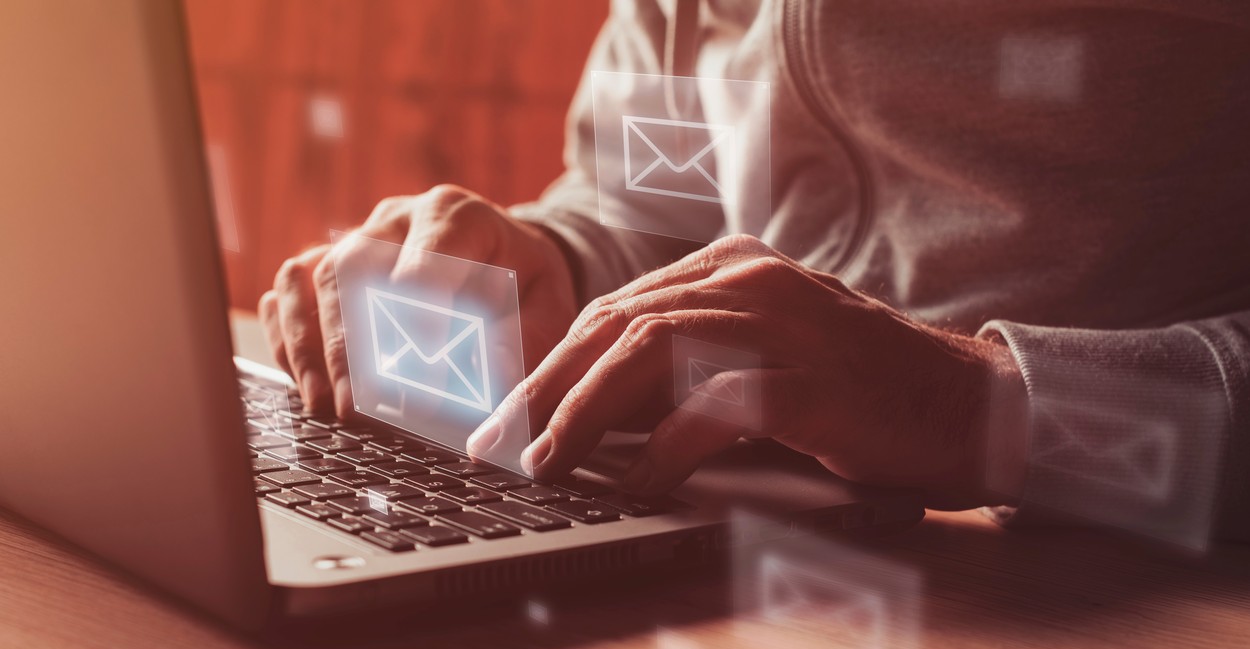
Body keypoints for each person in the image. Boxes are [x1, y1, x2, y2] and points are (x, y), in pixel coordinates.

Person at [260, 1, 1250, 546]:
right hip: (749, 556)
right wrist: (556, 270)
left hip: (1126, 620)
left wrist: (978, 410)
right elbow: (654, 202)